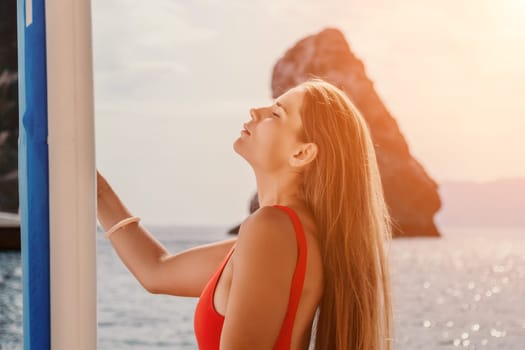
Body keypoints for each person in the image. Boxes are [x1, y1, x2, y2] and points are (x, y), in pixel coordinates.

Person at [96, 77, 394, 350]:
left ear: (302, 153)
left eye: (277, 114)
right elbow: (156, 271)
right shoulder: (281, 236)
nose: (256, 111)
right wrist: (96, 190)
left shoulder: (272, 228)